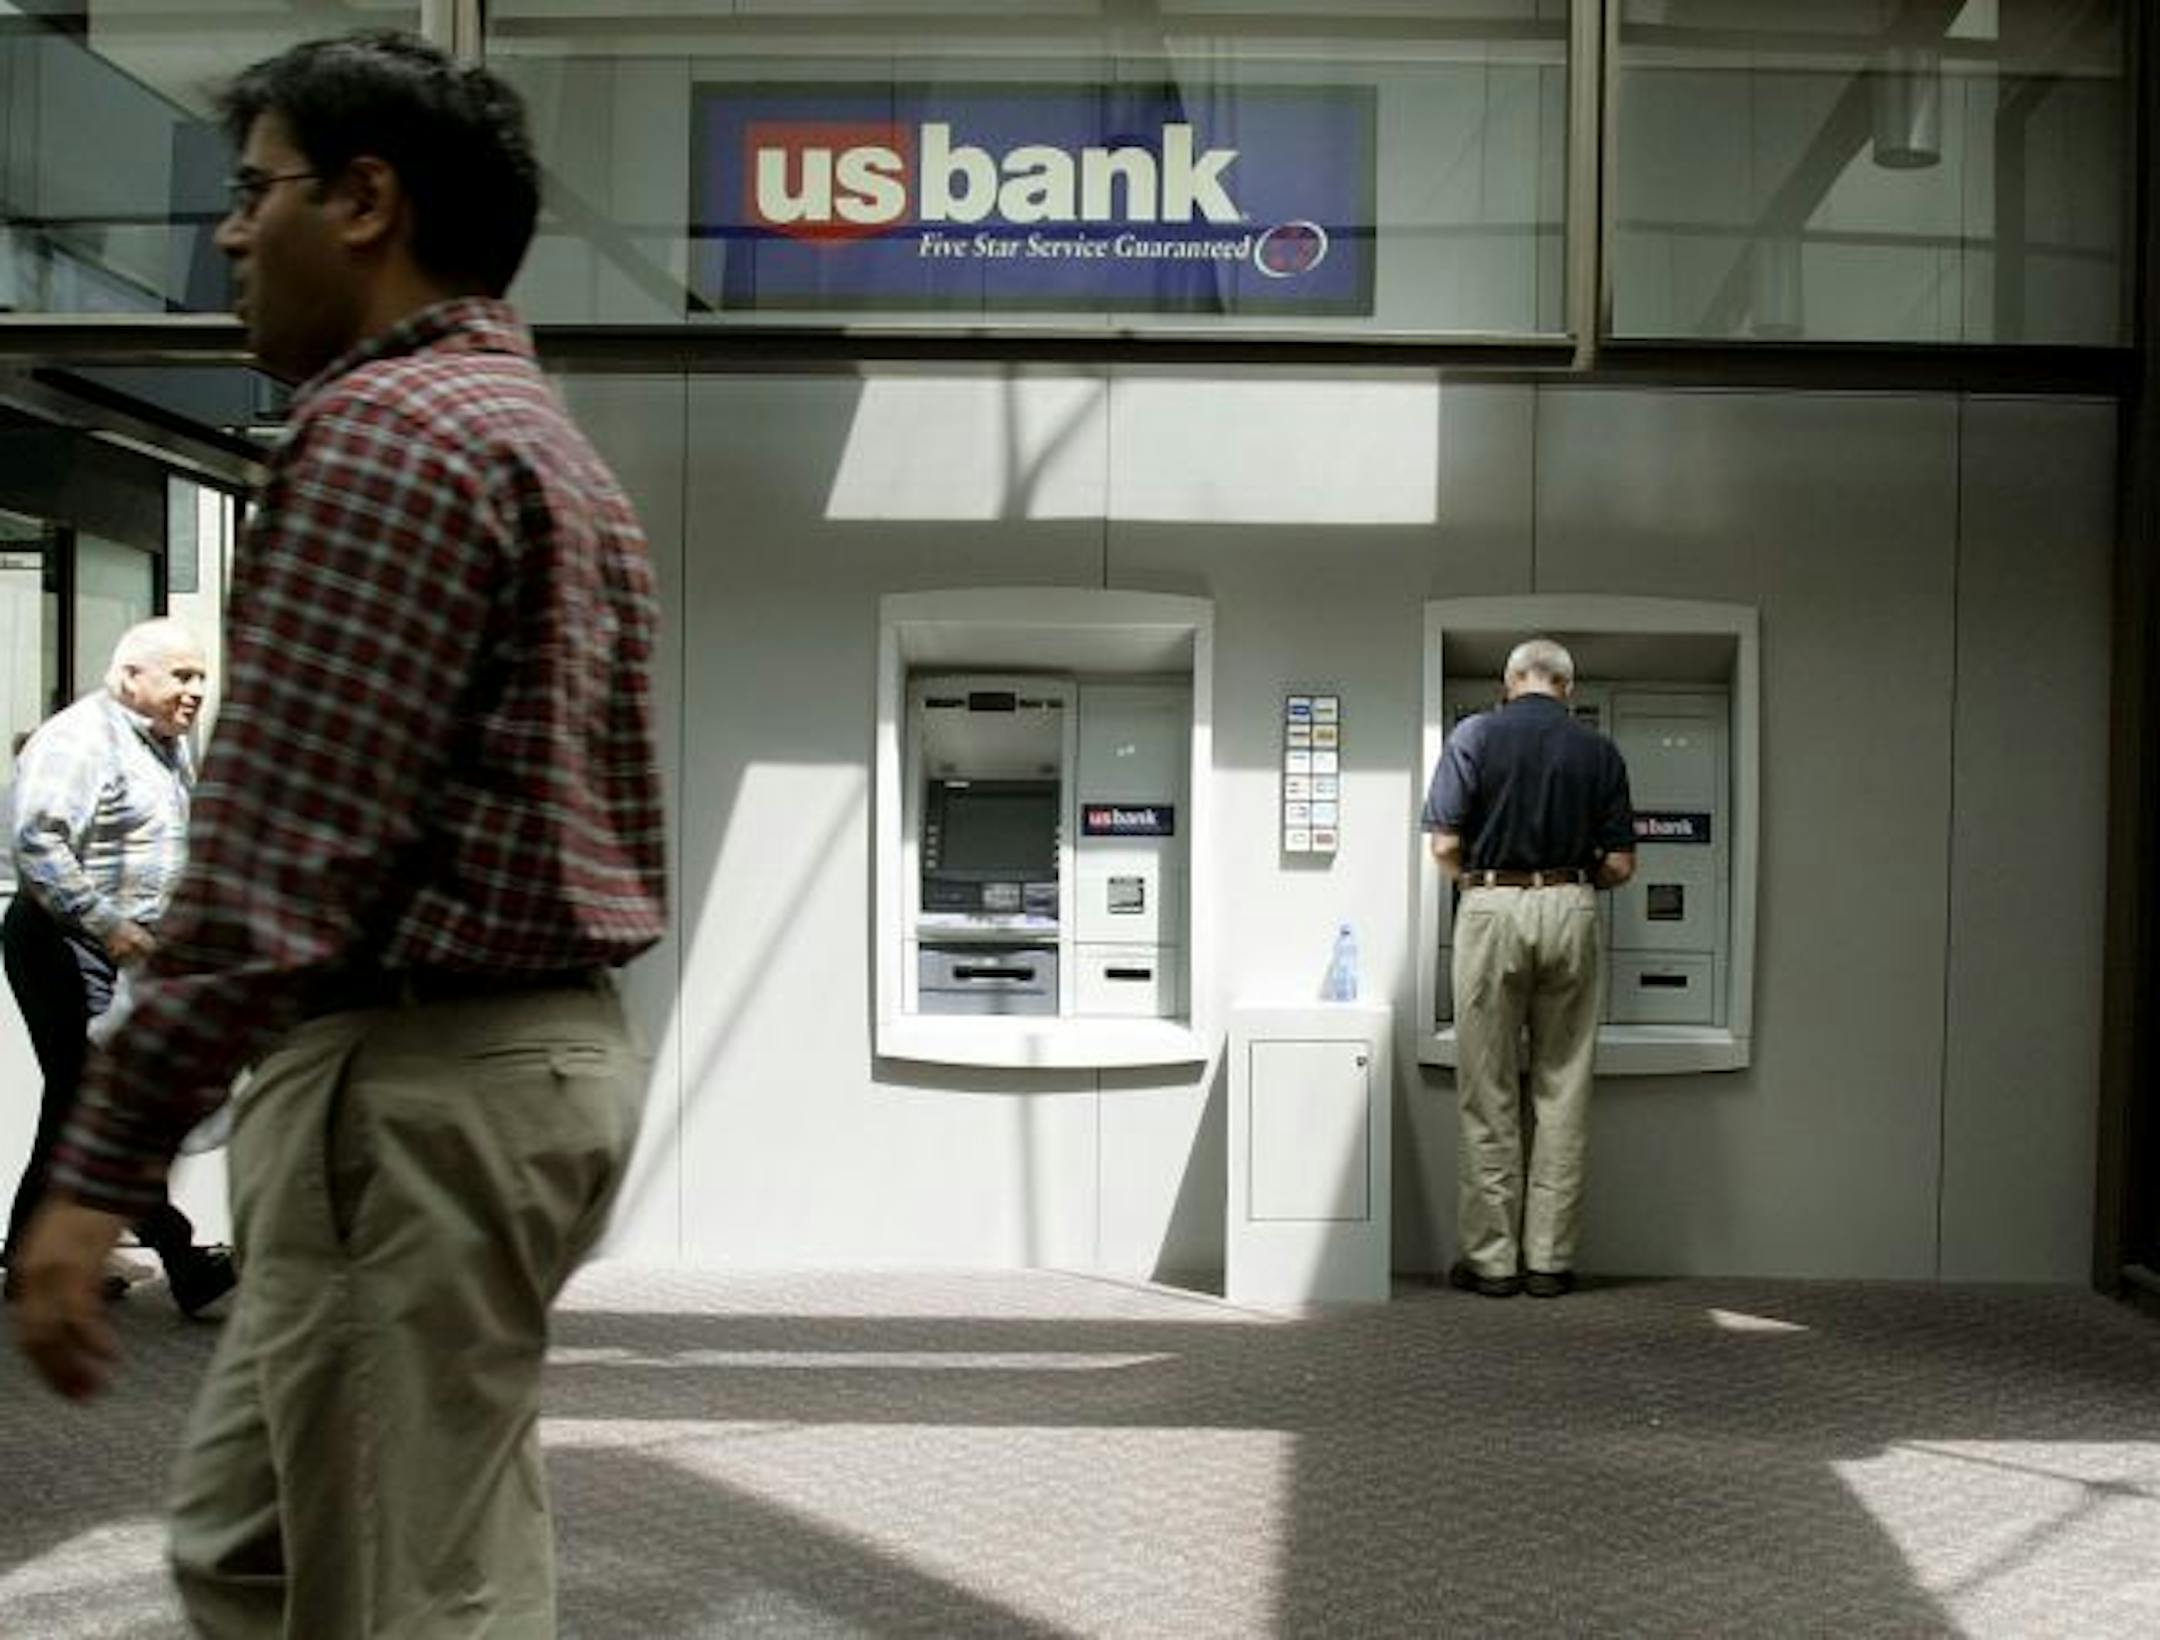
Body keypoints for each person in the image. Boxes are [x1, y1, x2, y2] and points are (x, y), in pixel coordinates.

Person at [10, 30, 667, 1637]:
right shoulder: (545, 449)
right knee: (263, 1544)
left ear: (366, 201)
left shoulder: (386, 439)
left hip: (414, 1087)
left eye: (255, 191)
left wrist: (97, 1169)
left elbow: (282, 851)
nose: (231, 235)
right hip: (507, 1068)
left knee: (404, 1596)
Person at [3, 619, 235, 1318]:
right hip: (64, 942)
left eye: (200, 676)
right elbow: (38, 843)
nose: (196, 690)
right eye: (181, 676)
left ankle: (33, 1259)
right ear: (131, 675)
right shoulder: (79, 739)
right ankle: (179, 1254)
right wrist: (111, 927)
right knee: (95, 1100)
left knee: (84, 1103)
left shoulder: (165, 744)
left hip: (128, 947)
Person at [1423, 638, 1634, 1299]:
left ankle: (1492, 1263)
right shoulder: (1599, 751)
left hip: (1492, 901)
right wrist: (1573, 885)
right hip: (1571, 904)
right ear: (1569, 689)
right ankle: (1548, 1261)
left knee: (1487, 1091)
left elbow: (1445, 844)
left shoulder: (1473, 734)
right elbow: (1623, 866)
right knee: (1563, 1090)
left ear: (1507, 682)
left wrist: (1480, 887)